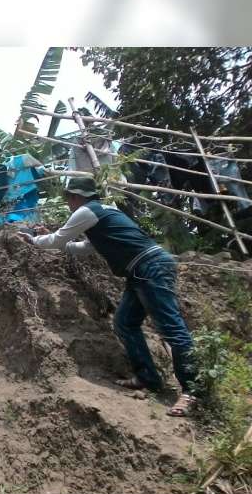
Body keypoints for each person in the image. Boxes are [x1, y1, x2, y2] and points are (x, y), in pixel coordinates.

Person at [17, 176, 198, 417]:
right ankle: (148, 379)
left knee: (171, 328)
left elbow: (57, 240)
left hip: (150, 267)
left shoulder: (86, 212)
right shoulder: (103, 212)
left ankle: (192, 391)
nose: (68, 203)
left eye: (69, 198)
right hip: (142, 270)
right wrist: (52, 240)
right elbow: (85, 248)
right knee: (125, 323)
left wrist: (33, 239)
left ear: (76, 196)